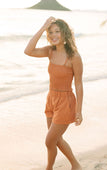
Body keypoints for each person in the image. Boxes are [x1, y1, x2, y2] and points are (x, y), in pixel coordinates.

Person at [24, 16, 83, 170]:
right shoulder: (50, 51)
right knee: (56, 140)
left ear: (65, 34)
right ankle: (75, 166)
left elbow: (78, 84)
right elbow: (28, 50)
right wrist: (43, 27)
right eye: (50, 32)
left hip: (66, 102)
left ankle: (49, 168)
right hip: (51, 98)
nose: (53, 35)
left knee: (49, 140)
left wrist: (79, 111)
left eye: (57, 31)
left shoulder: (74, 57)